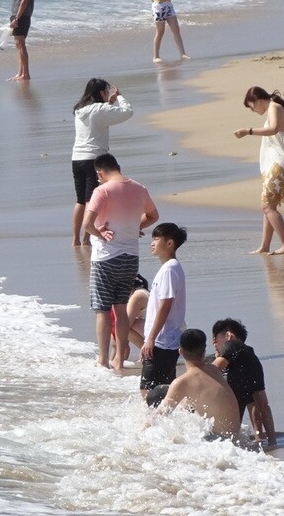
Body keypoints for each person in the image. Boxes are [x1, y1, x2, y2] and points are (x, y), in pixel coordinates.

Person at [83, 154, 159, 369]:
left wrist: (99, 233)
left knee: (102, 310)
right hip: (130, 257)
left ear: (100, 172)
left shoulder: (103, 190)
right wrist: (135, 227)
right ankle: (118, 360)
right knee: (121, 307)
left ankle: (103, 359)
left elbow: (87, 224)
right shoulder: (139, 188)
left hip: (106, 258)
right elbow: (153, 215)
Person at [234, 87, 284, 255]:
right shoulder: (274, 108)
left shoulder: (274, 107)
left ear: (258, 100)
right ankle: (265, 245)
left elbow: (274, 129)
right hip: (281, 162)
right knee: (269, 206)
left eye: (251, 106)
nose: (253, 110)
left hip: (280, 164)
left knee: (267, 206)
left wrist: (248, 131)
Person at [71, 79, 134, 246]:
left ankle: (75, 239)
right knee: (91, 199)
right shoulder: (100, 109)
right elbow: (127, 112)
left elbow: (101, 115)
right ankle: (87, 238)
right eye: (106, 92)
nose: (108, 95)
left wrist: (110, 103)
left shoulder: (80, 110)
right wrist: (119, 97)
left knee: (80, 200)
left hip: (77, 158)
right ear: (101, 93)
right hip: (94, 158)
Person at [155, 328, 239, 439]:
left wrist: (139, 432)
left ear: (180, 351)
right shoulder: (214, 369)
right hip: (234, 438)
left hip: (215, 442)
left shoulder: (182, 382)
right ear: (204, 352)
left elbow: (159, 415)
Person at [211, 318, 276, 446]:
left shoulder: (233, 345)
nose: (214, 344)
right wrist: (269, 441)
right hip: (228, 435)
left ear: (229, 336)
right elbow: (261, 404)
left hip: (215, 430)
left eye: (215, 339)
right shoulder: (252, 361)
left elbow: (208, 372)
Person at [140, 222, 187, 393]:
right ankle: (167, 420)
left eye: (156, 238)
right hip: (166, 340)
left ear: (169, 243)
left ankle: (154, 420)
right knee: (163, 390)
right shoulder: (170, 268)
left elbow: (165, 307)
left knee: (148, 392)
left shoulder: (169, 270)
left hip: (162, 341)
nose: (152, 243)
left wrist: (151, 339)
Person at [110, 275, 150, 370]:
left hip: (165, 338)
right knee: (121, 324)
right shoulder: (140, 293)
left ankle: (150, 354)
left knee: (122, 324)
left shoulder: (138, 296)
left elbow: (124, 325)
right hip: (167, 335)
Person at [8, 0, 35, 81]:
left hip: (22, 15)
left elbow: (24, 0)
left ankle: (25, 74)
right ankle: (20, 73)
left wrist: (17, 18)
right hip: (18, 14)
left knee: (20, 43)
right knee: (18, 44)